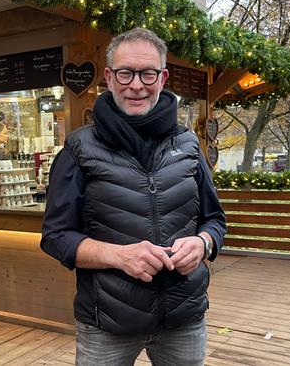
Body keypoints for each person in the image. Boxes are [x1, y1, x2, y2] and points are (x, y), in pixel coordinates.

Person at [41, 28, 226, 365]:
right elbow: (55, 237)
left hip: (184, 319)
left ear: (163, 77)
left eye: (148, 73)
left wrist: (203, 244)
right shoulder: (79, 149)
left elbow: (215, 221)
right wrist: (119, 256)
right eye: (126, 73)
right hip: (107, 323)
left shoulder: (188, 145)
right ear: (109, 78)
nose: (136, 85)